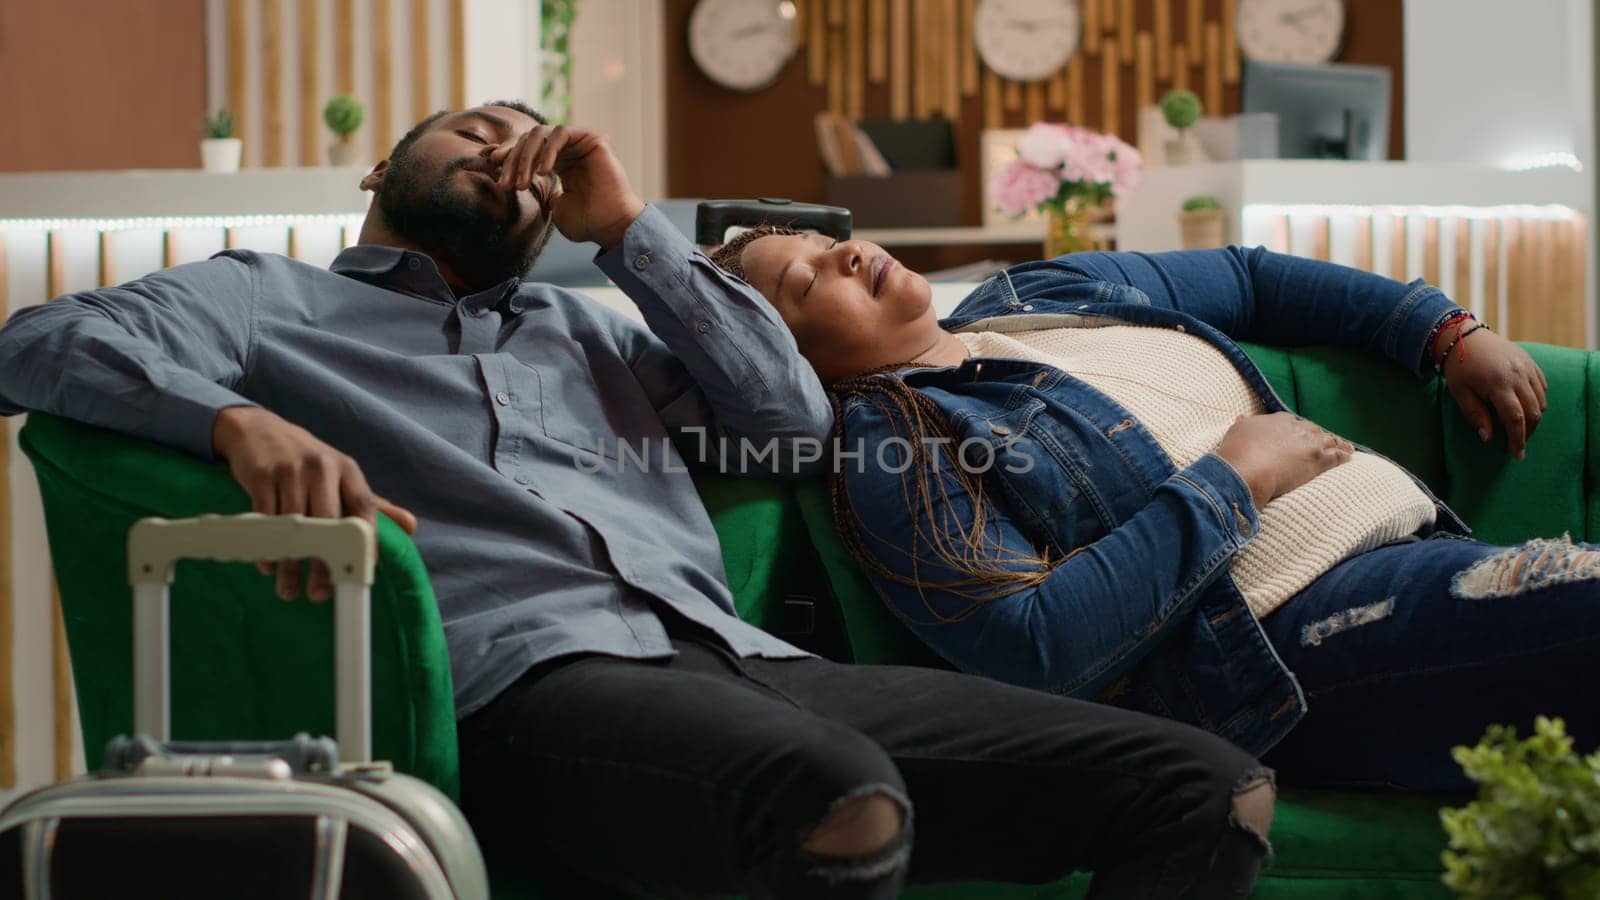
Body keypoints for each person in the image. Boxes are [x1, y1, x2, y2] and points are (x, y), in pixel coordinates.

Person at [0, 102, 1274, 899]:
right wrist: (232, 418)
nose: (505, 155)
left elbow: (790, 421)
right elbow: (38, 344)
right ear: (381, 168)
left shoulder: (591, 323)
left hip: (734, 661)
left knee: (1205, 788)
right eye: (472, 132)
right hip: (519, 681)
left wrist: (628, 232)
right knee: (837, 797)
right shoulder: (262, 298)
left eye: (531, 150)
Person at [709, 226, 1598, 792]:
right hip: (1286, 644)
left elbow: (1247, 278)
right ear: (784, 362)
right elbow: (1035, 649)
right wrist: (1235, 478)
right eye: (804, 282)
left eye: (825, 241)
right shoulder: (894, 446)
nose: (847, 253)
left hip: (1416, 546)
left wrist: (1438, 329)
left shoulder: (1035, 296)